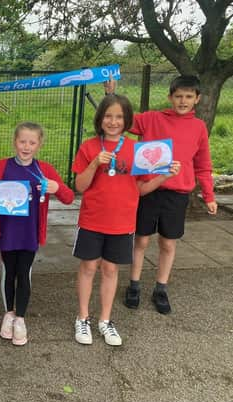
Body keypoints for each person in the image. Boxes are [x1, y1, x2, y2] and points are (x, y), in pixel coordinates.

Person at [71, 94, 180, 346]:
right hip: (92, 220)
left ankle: (105, 320)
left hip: (122, 222)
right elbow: (80, 186)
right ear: (100, 119)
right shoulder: (89, 147)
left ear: (127, 120)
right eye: (108, 116)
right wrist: (94, 165)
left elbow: (140, 189)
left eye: (119, 116)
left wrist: (164, 176)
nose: (113, 121)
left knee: (110, 270)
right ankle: (83, 318)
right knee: (88, 268)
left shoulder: (136, 149)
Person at [105, 76, 217, 314]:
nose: (183, 101)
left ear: (197, 99)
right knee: (142, 239)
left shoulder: (198, 128)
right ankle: (133, 285)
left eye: (188, 97)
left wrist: (209, 195)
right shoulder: (152, 118)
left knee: (167, 242)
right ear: (170, 97)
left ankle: (161, 288)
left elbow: (203, 165)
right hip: (148, 190)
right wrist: (111, 95)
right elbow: (121, 121)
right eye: (178, 96)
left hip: (177, 195)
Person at [0, 122, 74, 346]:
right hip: (7, 232)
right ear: (15, 142)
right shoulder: (1, 167)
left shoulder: (45, 170)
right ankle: (8, 314)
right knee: (8, 273)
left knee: (24, 273)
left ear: (39, 144)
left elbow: (68, 197)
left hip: (30, 234)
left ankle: (20, 318)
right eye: (22, 141)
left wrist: (56, 188)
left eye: (32, 142)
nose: (26, 146)